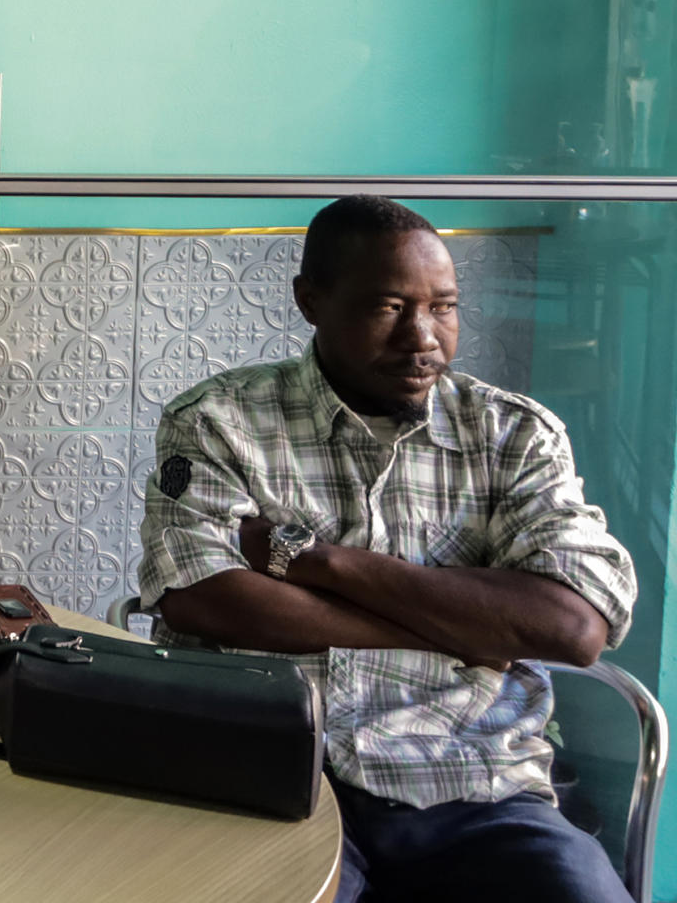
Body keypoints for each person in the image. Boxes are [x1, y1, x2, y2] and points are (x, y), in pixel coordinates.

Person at [138, 196, 637, 903]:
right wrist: (460, 625)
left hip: (476, 783)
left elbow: (575, 628)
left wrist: (317, 562)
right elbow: (202, 598)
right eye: (389, 308)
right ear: (311, 301)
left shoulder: (514, 436)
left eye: (444, 307)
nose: (423, 337)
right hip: (268, 778)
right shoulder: (219, 421)